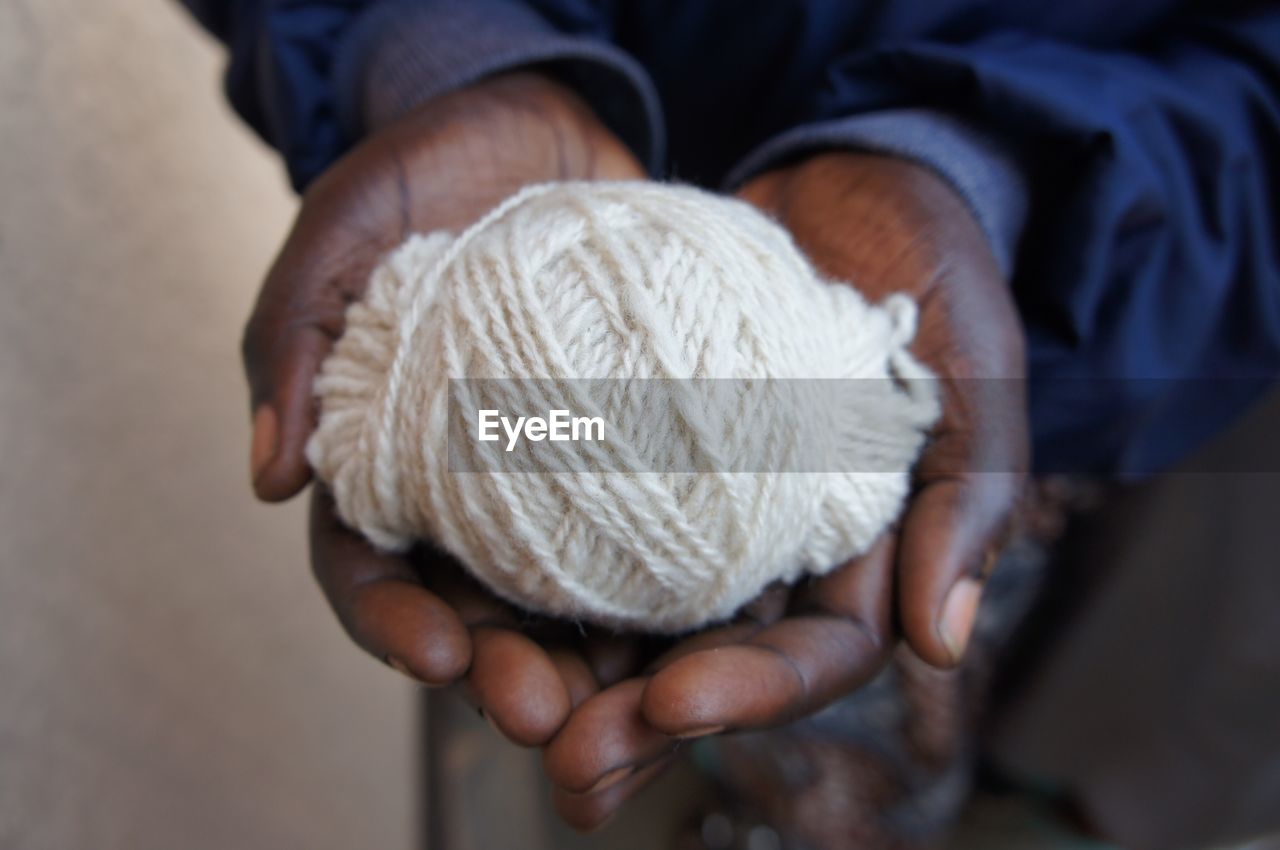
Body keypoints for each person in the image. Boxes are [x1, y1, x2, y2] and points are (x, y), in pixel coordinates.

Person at [178, 1, 1280, 845]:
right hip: (787, 347)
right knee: (810, 720)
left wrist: (997, 167)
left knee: (1082, 701)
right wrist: (436, 45)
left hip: (1126, 312)